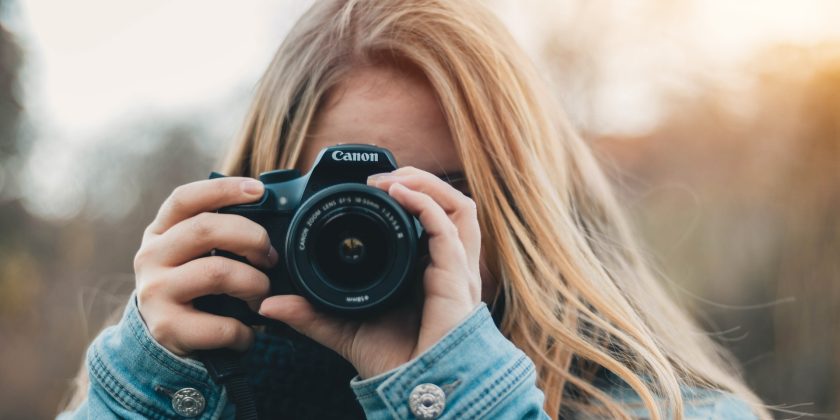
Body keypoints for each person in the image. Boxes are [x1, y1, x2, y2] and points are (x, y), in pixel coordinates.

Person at [59, 0, 770, 418]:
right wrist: (146, 390)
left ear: (522, 209)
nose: (385, 234)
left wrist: (464, 398)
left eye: (438, 195)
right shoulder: (194, 383)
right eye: (344, 204)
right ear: (260, 204)